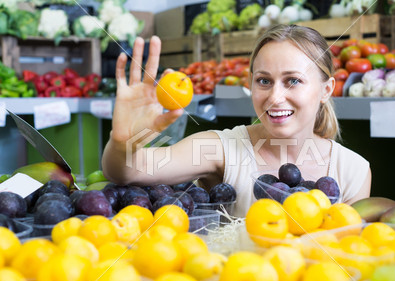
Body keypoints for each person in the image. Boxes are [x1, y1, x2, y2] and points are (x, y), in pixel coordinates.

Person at [102, 24, 371, 217]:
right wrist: (123, 141)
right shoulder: (222, 148)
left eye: (293, 81)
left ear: (326, 90)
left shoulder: (353, 172)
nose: (275, 97)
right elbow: (127, 171)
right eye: (264, 81)